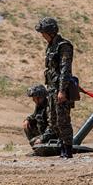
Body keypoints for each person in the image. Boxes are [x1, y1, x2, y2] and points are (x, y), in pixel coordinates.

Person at [36, 17, 77, 158]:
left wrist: (62, 90)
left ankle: (68, 150)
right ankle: (61, 147)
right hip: (52, 89)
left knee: (63, 120)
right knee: (53, 120)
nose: (42, 36)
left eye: (43, 33)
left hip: (60, 89)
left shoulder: (63, 46)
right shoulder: (51, 46)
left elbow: (65, 70)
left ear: (51, 32)